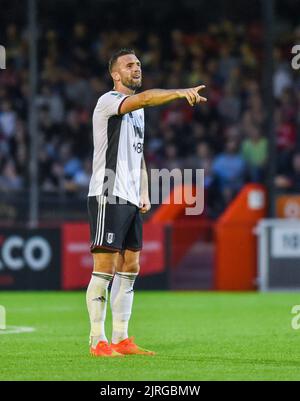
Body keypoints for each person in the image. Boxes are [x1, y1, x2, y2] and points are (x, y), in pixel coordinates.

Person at [86, 48, 207, 357]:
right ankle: (97, 340)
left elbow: (137, 154)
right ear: (116, 74)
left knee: (131, 265)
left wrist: (143, 190)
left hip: (128, 194)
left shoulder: (137, 113)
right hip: (108, 191)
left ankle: (121, 338)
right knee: (104, 268)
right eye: (129, 65)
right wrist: (180, 93)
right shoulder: (109, 101)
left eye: (138, 63)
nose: (136, 68)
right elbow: (146, 98)